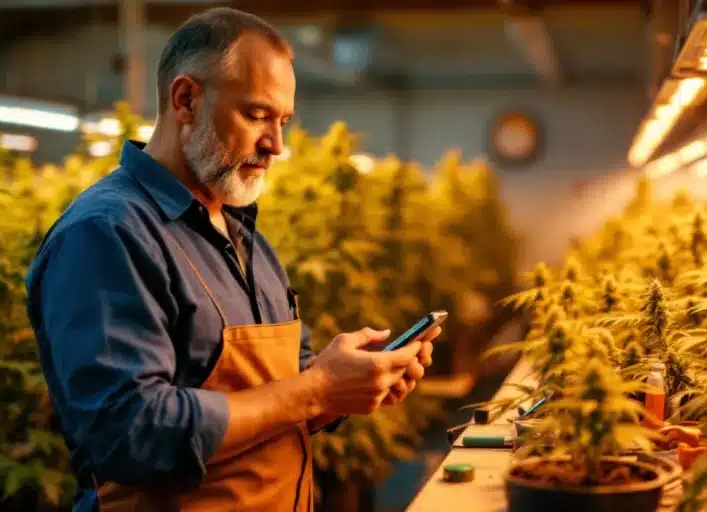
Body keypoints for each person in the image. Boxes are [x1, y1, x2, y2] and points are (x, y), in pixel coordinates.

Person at [23, 7, 438, 512]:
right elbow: (129, 434)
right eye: (257, 115)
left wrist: (346, 385)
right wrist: (318, 389)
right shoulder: (107, 234)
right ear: (186, 100)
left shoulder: (242, 233)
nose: (277, 145)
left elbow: (277, 395)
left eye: (283, 121)